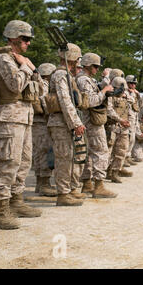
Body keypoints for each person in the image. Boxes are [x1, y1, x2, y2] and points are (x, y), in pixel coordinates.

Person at [0, 20, 43, 229]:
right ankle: (1, 211)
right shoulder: (3, 59)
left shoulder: (21, 60)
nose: (28, 43)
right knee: (9, 162)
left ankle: (16, 202)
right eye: (25, 39)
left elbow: (42, 91)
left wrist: (33, 69)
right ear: (13, 38)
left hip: (24, 117)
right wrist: (24, 66)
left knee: (24, 162)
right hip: (9, 117)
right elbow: (15, 86)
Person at [47, 43, 87, 206]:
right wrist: (76, 123)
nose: (78, 61)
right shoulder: (61, 75)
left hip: (65, 122)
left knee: (70, 156)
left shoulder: (66, 75)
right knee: (64, 157)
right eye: (78, 58)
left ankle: (69, 190)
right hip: (61, 122)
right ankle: (63, 194)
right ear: (72, 58)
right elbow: (65, 101)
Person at [76, 53, 117, 198]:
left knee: (90, 153)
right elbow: (91, 101)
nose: (97, 69)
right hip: (91, 121)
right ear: (87, 65)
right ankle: (98, 185)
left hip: (89, 120)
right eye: (95, 66)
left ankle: (87, 184)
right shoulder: (83, 80)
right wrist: (105, 91)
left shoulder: (86, 80)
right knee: (101, 151)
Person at [32, 63, 57, 196]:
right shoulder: (43, 85)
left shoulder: (38, 82)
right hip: (42, 122)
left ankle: (40, 183)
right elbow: (45, 102)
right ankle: (44, 184)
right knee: (44, 151)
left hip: (38, 122)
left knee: (39, 152)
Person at [106, 74, 133, 183]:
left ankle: (115, 172)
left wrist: (129, 122)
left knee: (121, 151)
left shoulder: (126, 99)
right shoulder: (109, 97)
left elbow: (130, 112)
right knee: (109, 151)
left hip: (124, 128)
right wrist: (120, 120)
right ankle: (106, 171)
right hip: (112, 127)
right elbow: (109, 111)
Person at [125, 75, 140, 165]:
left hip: (134, 118)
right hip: (127, 118)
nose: (133, 85)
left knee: (132, 139)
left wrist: (138, 95)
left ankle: (128, 156)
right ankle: (124, 158)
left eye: (134, 84)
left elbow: (139, 105)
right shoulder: (125, 92)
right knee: (128, 139)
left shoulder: (134, 93)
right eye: (131, 83)